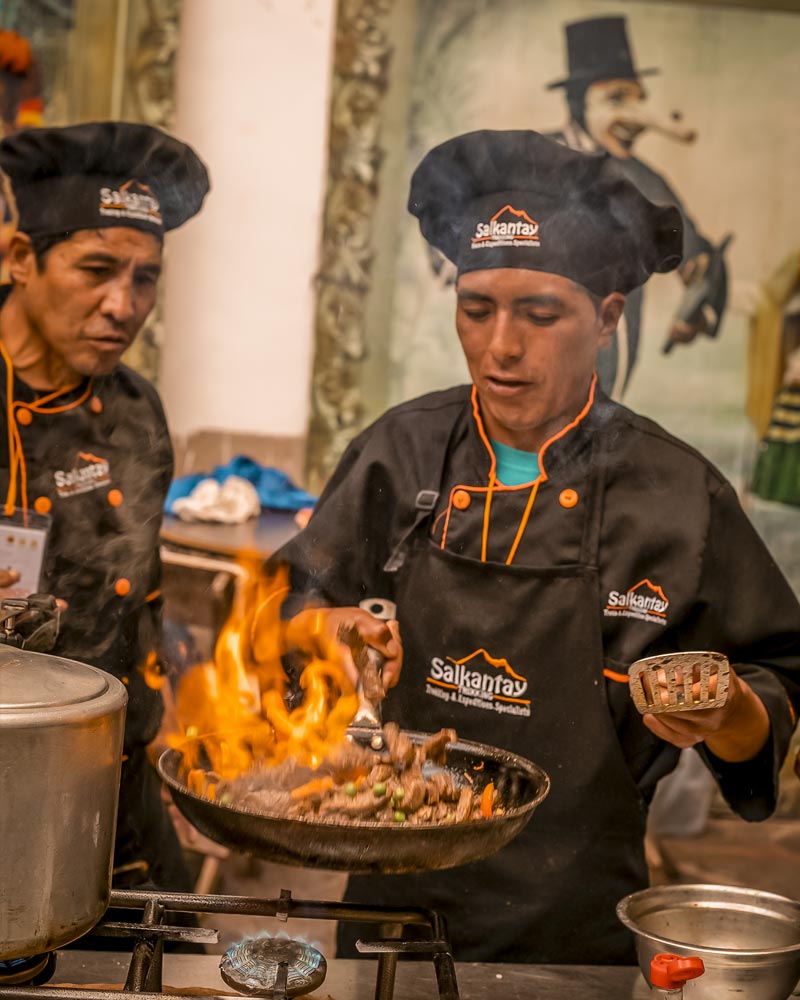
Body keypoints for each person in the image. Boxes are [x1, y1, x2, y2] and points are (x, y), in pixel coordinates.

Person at [268, 130, 800, 964]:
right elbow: (282, 613)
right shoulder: (399, 452)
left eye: (540, 314)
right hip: (388, 905)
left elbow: (778, 687)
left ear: (607, 319)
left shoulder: (679, 496)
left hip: (574, 927)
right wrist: (319, 634)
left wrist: (727, 712)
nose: (500, 347)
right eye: (476, 309)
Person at [0, 121, 209, 891]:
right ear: (20, 259)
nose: (123, 305)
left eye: (144, 277)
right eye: (95, 269)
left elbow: (142, 595)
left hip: (110, 775)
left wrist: (171, 730)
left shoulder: (133, 408)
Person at [544, 15, 727, 396]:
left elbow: (692, 251)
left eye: (638, 98)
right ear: (579, 103)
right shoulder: (533, 160)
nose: (635, 115)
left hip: (610, 348)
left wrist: (698, 300)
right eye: (616, 99)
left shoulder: (643, 181)